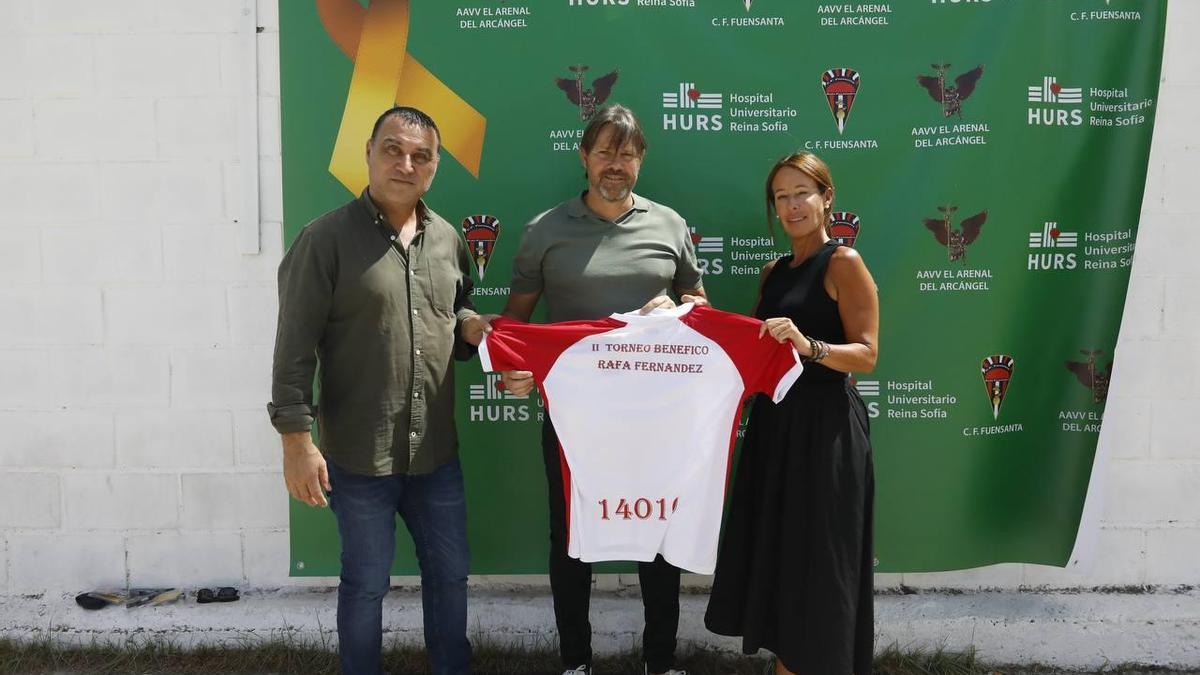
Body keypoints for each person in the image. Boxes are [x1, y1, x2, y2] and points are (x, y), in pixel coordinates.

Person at [269, 105, 490, 675]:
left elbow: (457, 306)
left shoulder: (447, 238)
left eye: (421, 155)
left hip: (436, 455)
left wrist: (468, 323)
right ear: (367, 153)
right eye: (393, 148)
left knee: (450, 577)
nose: (406, 162)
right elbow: (293, 347)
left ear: (436, 166)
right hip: (359, 455)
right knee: (366, 585)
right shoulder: (324, 240)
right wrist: (296, 440)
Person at [496, 104, 705, 675]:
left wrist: (681, 307)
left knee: (658, 530)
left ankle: (658, 662)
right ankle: (575, 662)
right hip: (574, 417)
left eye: (628, 154)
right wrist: (513, 365)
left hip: (657, 414)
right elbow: (516, 322)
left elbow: (702, 309)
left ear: (642, 160)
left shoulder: (669, 225)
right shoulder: (545, 230)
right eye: (606, 152)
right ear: (584, 157)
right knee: (571, 535)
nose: (616, 164)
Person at [704, 152, 879, 675]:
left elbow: (867, 355)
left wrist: (809, 346)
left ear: (827, 198)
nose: (792, 204)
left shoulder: (844, 263)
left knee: (820, 566)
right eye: (781, 196)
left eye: (802, 192)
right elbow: (753, 350)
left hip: (826, 433)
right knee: (782, 559)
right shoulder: (773, 271)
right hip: (776, 429)